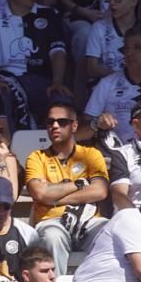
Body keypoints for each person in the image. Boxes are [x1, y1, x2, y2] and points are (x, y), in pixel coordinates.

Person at [24, 103, 109, 273]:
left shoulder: (91, 154)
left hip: (88, 220)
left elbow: (100, 191)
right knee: (52, 236)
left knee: (109, 231)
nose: (55, 126)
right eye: (50, 122)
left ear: (74, 125)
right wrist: (79, 184)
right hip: (51, 221)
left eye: (62, 122)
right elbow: (40, 193)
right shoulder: (36, 157)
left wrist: (54, 197)